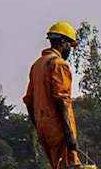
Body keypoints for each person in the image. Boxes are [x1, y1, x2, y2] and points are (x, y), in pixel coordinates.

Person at [24, 22, 81, 169]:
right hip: (59, 129)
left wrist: (39, 125)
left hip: (44, 129)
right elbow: (61, 100)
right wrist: (68, 134)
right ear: (63, 42)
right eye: (69, 45)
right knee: (69, 166)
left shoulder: (37, 65)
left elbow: (29, 102)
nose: (69, 49)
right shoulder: (58, 64)